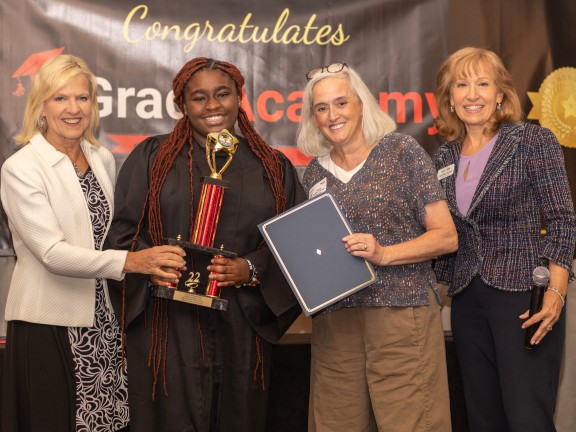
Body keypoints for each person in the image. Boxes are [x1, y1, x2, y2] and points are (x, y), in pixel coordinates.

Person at [105, 57, 305, 432]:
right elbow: (124, 235)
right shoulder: (153, 158)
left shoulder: (272, 167)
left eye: (222, 94)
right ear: (182, 105)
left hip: (241, 322)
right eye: (199, 98)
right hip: (166, 326)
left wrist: (251, 268)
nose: (212, 106)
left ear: (239, 97)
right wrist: (151, 263)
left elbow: (296, 242)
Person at [0, 54, 186, 432]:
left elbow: (116, 231)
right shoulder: (21, 168)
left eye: (82, 98)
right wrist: (134, 262)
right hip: (50, 323)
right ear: (41, 107)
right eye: (60, 98)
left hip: (106, 319)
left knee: (108, 422)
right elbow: (51, 253)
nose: (73, 108)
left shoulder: (101, 157)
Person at [296, 62, 458, 432]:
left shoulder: (401, 151)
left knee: (413, 423)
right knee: (335, 424)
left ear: (361, 104)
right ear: (313, 117)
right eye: (321, 108)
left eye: (341, 103)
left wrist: (384, 253)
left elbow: (446, 237)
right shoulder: (315, 173)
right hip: (336, 320)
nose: (332, 115)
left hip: (400, 314)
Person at [433, 47, 576, 432]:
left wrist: (556, 295)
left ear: (500, 94)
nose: (472, 94)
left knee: (526, 417)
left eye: (483, 83)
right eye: (461, 85)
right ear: (449, 97)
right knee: (483, 419)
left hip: (524, 301)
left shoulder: (531, 141)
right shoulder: (443, 156)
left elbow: (563, 220)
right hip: (466, 301)